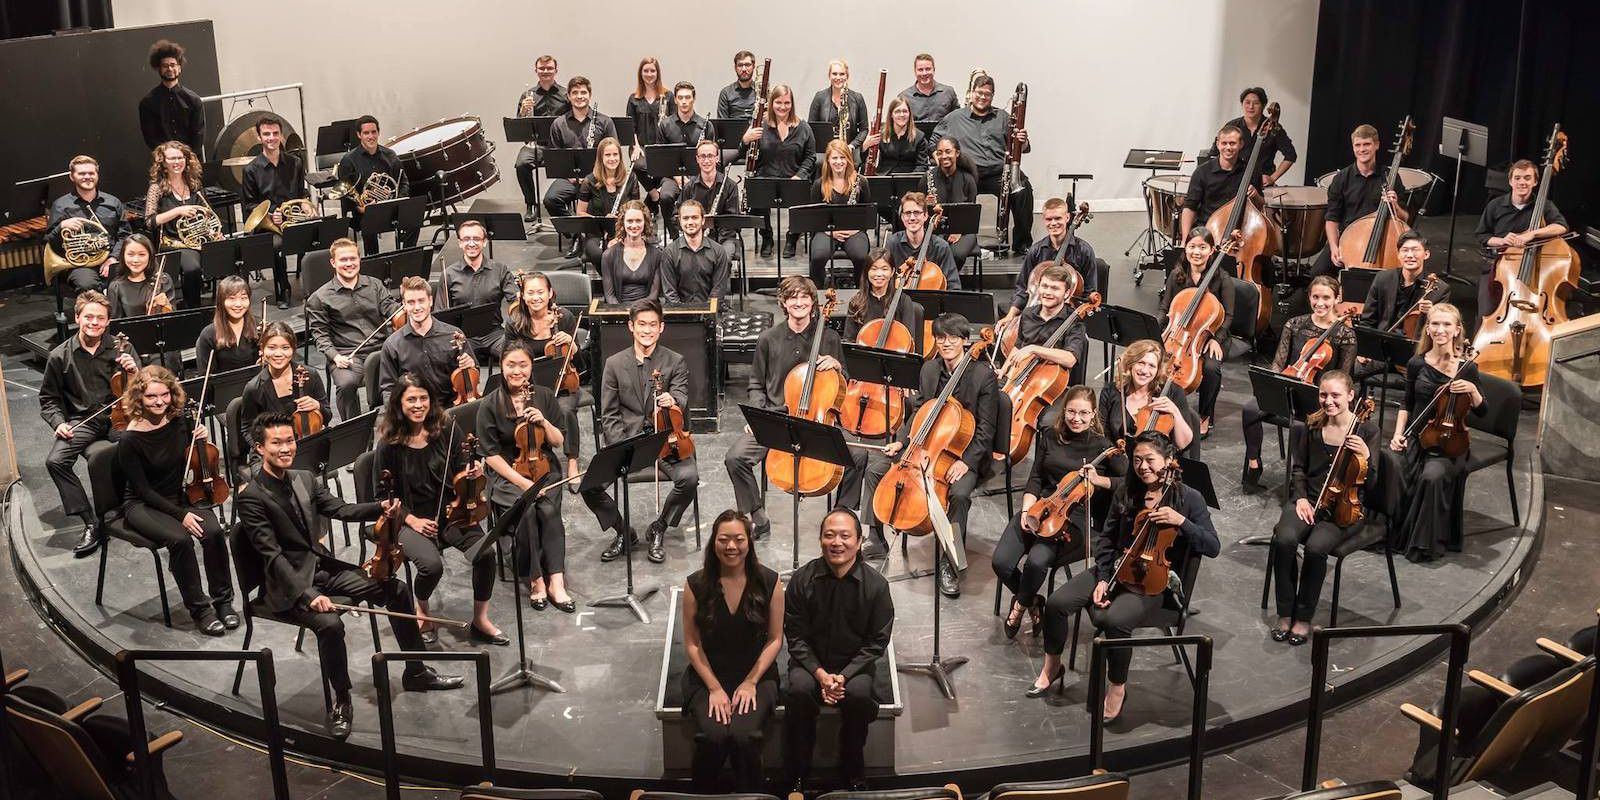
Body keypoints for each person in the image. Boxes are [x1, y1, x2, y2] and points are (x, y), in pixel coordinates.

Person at [236, 411, 463, 739]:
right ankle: (342, 699)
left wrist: (380, 507)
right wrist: (309, 595)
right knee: (331, 625)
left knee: (396, 589)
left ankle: (416, 671)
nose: (286, 448)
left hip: (319, 568)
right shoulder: (252, 498)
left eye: (290, 441)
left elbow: (340, 509)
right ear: (259, 448)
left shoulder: (303, 478)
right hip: (286, 586)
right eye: (277, 443)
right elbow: (271, 556)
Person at [1033, 431, 1219, 718]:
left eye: (1150, 460)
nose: (1143, 467)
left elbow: (1212, 545)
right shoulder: (1127, 491)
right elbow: (1106, 540)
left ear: (1169, 461)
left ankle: (1117, 686)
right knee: (1057, 603)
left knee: (1114, 621)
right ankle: (1052, 666)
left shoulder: (1189, 499)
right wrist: (1104, 578)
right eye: (1137, 461)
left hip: (1156, 582)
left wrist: (1181, 521)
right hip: (1118, 568)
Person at [869, 313, 998, 598]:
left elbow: (986, 430)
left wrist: (967, 462)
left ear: (966, 341)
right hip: (926, 448)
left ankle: (949, 563)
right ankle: (875, 538)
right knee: (875, 470)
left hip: (965, 454)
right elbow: (918, 411)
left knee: (959, 496)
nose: (946, 342)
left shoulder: (982, 375)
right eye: (941, 337)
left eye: (953, 337)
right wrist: (901, 442)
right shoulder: (929, 369)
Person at [373, 373, 503, 645]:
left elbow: (460, 468)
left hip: (451, 513)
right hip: (408, 519)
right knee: (431, 567)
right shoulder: (388, 444)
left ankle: (481, 619)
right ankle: (423, 608)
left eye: (424, 398)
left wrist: (471, 472)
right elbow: (381, 496)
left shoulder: (446, 430)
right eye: (411, 399)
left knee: (486, 553)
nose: (419, 405)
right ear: (399, 403)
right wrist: (412, 520)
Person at [993, 385, 1126, 638]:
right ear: (1064, 411)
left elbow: (1128, 482)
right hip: (1040, 505)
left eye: (1084, 414)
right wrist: (1026, 510)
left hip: (1072, 519)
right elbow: (1035, 477)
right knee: (1001, 562)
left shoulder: (1103, 446)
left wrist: (1100, 481)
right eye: (1072, 412)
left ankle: (1020, 605)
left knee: (1037, 561)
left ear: (1094, 413)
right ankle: (1033, 601)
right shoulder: (1050, 436)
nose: (1077, 419)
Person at [114, 365, 235, 635]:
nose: (159, 402)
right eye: (151, 397)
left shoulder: (182, 423)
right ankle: (200, 610)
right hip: (143, 504)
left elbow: (196, 458)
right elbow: (143, 491)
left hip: (181, 495)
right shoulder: (130, 440)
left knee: (214, 532)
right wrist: (181, 516)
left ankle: (223, 601)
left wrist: (201, 437)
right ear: (138, 399)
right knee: (180, 540)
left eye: (165, 395)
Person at [724, 276, 847, 539]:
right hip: (775, 420)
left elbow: (845, 381)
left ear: (813, 303)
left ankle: (841, 520)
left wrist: (837, 367)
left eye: (804, 297)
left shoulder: (829, 338)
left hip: (815, 423)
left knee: (856, 459)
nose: (799, 302)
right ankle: (758, 515)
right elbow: (755, 383)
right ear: (783, 302)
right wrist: (758, 414)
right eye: (793, 297)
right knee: (735, 458)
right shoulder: (769, 338)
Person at [784, 509, 893, 792]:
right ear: (820, 540)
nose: (837, 542)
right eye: (829, 535)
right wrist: (821, 675)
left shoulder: (877, 587)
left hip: (854, 665)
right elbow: (795, 637)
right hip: (811, 664)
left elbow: (876, 642)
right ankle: (797, 771)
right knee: (797, 691)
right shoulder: (802, 580)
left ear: (859, 542)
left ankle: (853, 769)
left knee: (858, 695)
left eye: (845, 536)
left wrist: (843, 676)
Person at [585, 299, 699, 563]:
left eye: (652, 325)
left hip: (666, 441)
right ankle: (623, 532)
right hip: (629, 444)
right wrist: (622, 449)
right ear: (631, 326)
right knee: (590, 485)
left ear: (661, 328)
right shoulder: (614, 364)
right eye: (641, 325)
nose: (647, 330)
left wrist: (674, 400)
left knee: (689, 478)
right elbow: (610, 414)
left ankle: (659, 526)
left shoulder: (675, 361)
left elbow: (682, 395)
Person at [1270, 369, 1379, 645]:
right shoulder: (1312, 425)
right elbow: (1299, 468)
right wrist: (1302, 497)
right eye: (1323, 394)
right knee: (1284, 540)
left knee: (1317, 549)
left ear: (1351, 396)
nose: (1328, 401)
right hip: (1308, 500)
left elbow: (1373, 484)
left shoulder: (1367, 430)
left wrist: (1366, 455)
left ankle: (1303, 617)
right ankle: (1285, 612)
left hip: (1343, 508)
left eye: (1335, 395)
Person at [682, 510, 782, 792]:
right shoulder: (695, 584)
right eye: (723, 539)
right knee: (713, 736)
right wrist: (714, 688)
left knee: (744, 736)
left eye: (739, 539)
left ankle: (751, 795)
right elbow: (692, 643)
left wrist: (751, 682)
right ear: (713, 542)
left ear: (749, 542)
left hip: (757, 675)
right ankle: (702, 795)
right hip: (708, 676)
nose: (731, 547)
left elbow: (775, 639)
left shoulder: (770, 582)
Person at [476, 342, 574, 611]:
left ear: (531, 367)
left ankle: (557, 580)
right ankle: (536, 579)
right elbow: (490, 455)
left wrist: (544, 421)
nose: (517, 371)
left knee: (550, 511)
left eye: (523, 365)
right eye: (511, 365)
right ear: (501, 367)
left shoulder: (543, 395)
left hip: (544, 468)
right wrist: (523, 482)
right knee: (528, 511)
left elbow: (556, 440)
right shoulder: (491, 403)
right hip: (507, 473)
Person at [41, 291, 141, 556]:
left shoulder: (123, 348)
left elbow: (144, 389)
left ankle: (136, 506)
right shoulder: (59, 356)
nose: (94, 322)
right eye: (88, 317)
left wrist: (134, 372)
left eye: (100, 318)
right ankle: (91, 521)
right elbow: (49, 400)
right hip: (81, 420)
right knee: (56, 461)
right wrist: (58, 423)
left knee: (132, 444)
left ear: (108, 322)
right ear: (77, 318)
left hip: (118, 416)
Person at [1388, 304, 1485, 562]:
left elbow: (1483, 412)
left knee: (1431, 477)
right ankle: (1390, 533)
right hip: (1418, 437)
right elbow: (1407, 403)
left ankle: (1423, 543)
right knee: (1391, 466)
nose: (1440, 330)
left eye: (1446, 325)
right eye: (1435, 324)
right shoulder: (1417, 363)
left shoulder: (1468, 368)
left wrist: (1473, 392)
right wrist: (1398, 434)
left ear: (1457, 331)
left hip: (1450, 443)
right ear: (1428, 329)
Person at [1241, 275, 1356, 491]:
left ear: (1337, 298)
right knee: (1249, 409)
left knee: (1299, 426)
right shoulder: (1294, 324)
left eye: (1326, 297)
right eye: (1315, 297)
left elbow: (1344, 379)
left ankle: (1299, 479)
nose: (1320, 303)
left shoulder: (1345, 335)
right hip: (1287, 386)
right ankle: (1254, 463)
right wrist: (1272, 384)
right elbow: (1278, 362)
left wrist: (1326, 395)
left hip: (1317, 398)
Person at [932, 74, 1033, 254]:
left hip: (999, 173)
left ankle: (1022, 243)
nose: (982, 97)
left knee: (1024, 190)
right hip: (967, 173)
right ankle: (961, 242)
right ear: (971, 93)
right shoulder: (954, 118)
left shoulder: (1003, 117)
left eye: (987, 94)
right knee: (955, 191)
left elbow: (1024, 149)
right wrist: (943, 161)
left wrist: (1022, 141)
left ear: (992, 96)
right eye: (979, 93)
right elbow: (933, 142)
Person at [305, 237, 400, 420]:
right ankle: (356, 431)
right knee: (346, 384)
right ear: (333, 262)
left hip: (382, 349)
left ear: (359, 259)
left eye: (353, 259)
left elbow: (391, 309)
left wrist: (406, 307)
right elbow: (320, 336)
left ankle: (402, 424)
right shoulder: (320, 297)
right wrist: (335, 357)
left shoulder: (375, 285)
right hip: (348, 354)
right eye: (343, 260)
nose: (349, 264)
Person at [503, 271, 583, 487]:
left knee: (566, 411)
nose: (536, 297)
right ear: (522, 295)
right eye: (530, 292)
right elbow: (507, 358)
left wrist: (572, 345)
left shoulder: (563, 317)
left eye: (540, 292)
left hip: (562, 383)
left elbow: (580, 362)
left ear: (550, 293)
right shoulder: (516, 323)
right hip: (529, 386)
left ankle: (572, 460)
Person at [1158, 228, 1234, 435]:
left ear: (1212, 250)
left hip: (1211, 336)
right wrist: (1157, 334)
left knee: (1210, 368)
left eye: (1202, 247)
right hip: (1179, 333)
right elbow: (1165, 309)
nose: (1196, 252)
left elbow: (1228, 316)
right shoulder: (1177, 275)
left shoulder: (1222, 278)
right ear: (1186, 248)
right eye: (1192, 246)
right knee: (1157, 360)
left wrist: (1217, 339)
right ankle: (1161, 407)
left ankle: (1204, 415)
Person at [1312, 123, 1408, 279]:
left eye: (1367, 144)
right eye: (1358, 145)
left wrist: (1395, 206)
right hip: (1348, 238)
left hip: (1382, 238)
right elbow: (1331, 218)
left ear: (1376, 145)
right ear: (1353, 147)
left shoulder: (1390, 177)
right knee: (1318, 273)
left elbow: (1405, 219)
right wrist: (1335, 247)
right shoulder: (1341, 178)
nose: (1362, 149)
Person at [1475, 158, 1569, 315]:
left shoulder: (1544, 205)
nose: (1522, 182)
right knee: (1486, 312)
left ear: (1535, 182)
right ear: (1510, 181)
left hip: (1532, 266)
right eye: (1517, 178)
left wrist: (1531, 234)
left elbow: (1561, 227)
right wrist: (1502, 240)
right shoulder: (1495, 205)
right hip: (1498, 265)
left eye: (1527, 178)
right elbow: (1482, 235)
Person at [996, 264, 1088, 421]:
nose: (1048, 292)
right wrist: (1004, 372)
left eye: (1055, 288)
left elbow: (1070, 359)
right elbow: (1018, 345)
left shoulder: (1074, 322)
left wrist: (1034, 349)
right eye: (1044, 286)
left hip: (1051, 387)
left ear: (1066, 294)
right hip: (1019, 376)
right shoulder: (1028, 314)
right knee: (986, 401)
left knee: (1047, 423)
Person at [999, 197, 1097, 335]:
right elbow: (1023, 289)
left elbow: (1089, 293)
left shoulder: (1084, 251)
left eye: (1058, 218)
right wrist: (1010, 316)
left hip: (1067, 317)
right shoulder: (1036, 250)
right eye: (1049, 219)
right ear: (1044, 220)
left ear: (1067, 217)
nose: (1053, 223)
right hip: (1036, 311)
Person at [741, 84, 818, 257]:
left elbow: (811, 157)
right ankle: (767, 237)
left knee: (803, 194)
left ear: (792, 104)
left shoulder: (803, 127)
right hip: (765, 178)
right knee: (756, 191)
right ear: (771, 102)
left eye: (787, 103)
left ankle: (792, 237)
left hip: (794, 179)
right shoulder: (760, 125)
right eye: (778, 102)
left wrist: (800, 176)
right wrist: (745, 140)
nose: (783, 107)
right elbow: (744, 153)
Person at [238, 322, 329, 465]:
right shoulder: (254, 388)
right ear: (262, 350)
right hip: (269, 454)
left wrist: (317, 406)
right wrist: (264, 449)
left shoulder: (310, 375)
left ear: (293, 349)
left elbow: (327, 416)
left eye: (285, 348)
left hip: (306, 447)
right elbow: (247, 429)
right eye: (272, 348)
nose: (278, 354)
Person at [379, 276, 477, 407]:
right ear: (404, 304)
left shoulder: (453, 335)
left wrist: (470, 366)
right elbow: (388, 389)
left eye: (421, 301)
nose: (417, 307)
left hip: (450, 408)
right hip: (415, 411)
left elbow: (473, 373)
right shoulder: (392, 345)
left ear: (430, 301)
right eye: (411, 302)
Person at [544, 76, 620, 244]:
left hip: (598, 179)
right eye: (575, 93)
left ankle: (596, 234)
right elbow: (554, 157)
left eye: (583, 92)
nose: (579, 96)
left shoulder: (604, 121)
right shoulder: (558, 124)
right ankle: (575, 234)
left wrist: (595, 176)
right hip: (570, 178)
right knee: (550, 199)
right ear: (569, 96)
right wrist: (568, 175)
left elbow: (614, 151)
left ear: (589, 95)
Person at [240, 114, 306, 306]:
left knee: (317, 237)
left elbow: (300, 195)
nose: (271, 138)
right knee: (277, 247)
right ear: (259, 137)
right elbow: (249, 205)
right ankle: (283, 290)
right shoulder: (251, 170)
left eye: (275, 133)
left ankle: (313, 290)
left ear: (281, 135)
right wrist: (270, 215)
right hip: (267, 225)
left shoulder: (295, 163)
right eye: (266, 134)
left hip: (292, 220)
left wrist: (304, 208)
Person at [45, 156, 133, 295]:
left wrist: (113, 258)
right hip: (79, 264)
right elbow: (49, 240)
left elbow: (125, 235)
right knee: (87, 284)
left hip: (111, 258)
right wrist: (61, 226)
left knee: (135, 278)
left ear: (97, 175)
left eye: (91, 173)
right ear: (72, 176)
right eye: (81, 173)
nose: (87, 177)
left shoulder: (113, 202)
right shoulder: (61, 206)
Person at [435, 219, 518, 362]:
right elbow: (440, 313)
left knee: (517, 357)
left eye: (476, 239)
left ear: (484, 242)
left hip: (495, 334)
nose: (471, 243)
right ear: (460, 243)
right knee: (447, 361)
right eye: (466, 239)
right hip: (462, 336)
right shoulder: (448, 274)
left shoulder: (500, 269)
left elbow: (516, 301)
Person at [143, 140, 211, 307]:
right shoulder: (157, 189)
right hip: (174, 243)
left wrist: (213, 231)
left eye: (180, 158)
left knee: (226, 258)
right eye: (171, 158)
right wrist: (177, 211)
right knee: (192, 268)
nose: (177, 162)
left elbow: (208, 214)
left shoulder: (194, 185)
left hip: (198, 240)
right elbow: (149, 221)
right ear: (163, 163)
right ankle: (193, 308)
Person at [1097, 339, 1196, 450]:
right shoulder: (1111, 391)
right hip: (1119, 459)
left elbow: (1183, 445)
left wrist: (1175, 412)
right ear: (1131, 364)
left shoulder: (1173, 392)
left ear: (1158, 370)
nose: (1145, 370)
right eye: (1141, 363)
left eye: (1151, 366)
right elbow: (1102, 434)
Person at [334, 115, 412, 254]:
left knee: (413, 221)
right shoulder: (349, 160)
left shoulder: (390, 155)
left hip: (390, 207)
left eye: (373, 132)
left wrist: (398, 200)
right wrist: (359, 207)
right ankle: (373, 260)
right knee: (369, 223)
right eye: (366, 133)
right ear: (359, 135)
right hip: (364, 212)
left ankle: (406, 255)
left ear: (378, 132)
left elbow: (403, 182)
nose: (371, 136)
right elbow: (344, 193)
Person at [806, 140, 874, 287]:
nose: (839, 162)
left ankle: (861, 293)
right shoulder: (819, 184)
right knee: (818, 256)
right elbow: (813, 217)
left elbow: (868, 214)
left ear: (848, 160)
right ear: (828, 160)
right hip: (826, 231)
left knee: (861, 256)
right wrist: (831, 232)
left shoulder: (860, 182)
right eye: (835, 158)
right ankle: (815, 293)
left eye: (842, 157)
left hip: (854, 231)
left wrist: (854, 229)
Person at [1180, 123, 1262, 243]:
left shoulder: (1251, 171)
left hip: (1241, 234)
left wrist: (1256, 196)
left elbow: (1261, 205)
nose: (1228, 147)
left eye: (1232, 143)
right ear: (1218, 144)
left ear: (1241, 144)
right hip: (1208, 232)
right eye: (1224, 143)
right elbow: (1190, 208)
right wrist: (1185, 240)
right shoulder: (1202, 172)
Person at [512, 55, 570, 220]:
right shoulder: (527, 95)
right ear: (536, 70)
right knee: (521, 164)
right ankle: (531, 203)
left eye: (549, 68)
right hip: (536, 146)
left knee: (577, 162)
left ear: (556, 71)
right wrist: (523, 111)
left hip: (560, 146)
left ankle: (567, 204)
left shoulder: (566, 94)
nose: (546, 71)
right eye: (542, 68)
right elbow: (519, 129)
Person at [656, 81, 715, 232]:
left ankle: (702, 233)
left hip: (698, 175)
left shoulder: (705, 125)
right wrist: (677, 177)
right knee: (665, 196)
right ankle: (674, 235)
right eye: (680, 97)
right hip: (672, 176)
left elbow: (711, 156)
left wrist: (693, 179)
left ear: (693, 99)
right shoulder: (665, 125)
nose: (684, 101)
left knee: (703, 192)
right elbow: (662, 157)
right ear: (674, 99)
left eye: (687, 97)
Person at [577, 137, 642, 270]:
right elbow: (580, 213)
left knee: (620, 252)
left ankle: (621, 285)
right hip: (597, 232)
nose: (612, 158)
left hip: (626, 229)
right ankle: (610, 283)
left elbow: (638, 209)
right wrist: (600, 220)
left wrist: (619, 236)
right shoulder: (589, 181)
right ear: (600, 158)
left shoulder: (630, 177)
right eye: (607, 155)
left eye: (615, 154)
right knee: (597, 253)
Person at [1211, 87, 1296, 186]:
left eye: (1256, 103)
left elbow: (1291, 155)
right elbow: (1215, 153)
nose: (1251, 107)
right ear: (1242, 104)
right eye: (1247, 102)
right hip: (1232, 181)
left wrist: (1272, 178)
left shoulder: (1274, 128)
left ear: (1263, 106)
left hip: (1261, 184)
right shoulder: (1232, 126)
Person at [137, 40, 204, 152]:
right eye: (165, 66)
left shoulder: (194, 100)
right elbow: (150, 137)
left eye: (173, 65)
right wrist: (167, 154)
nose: (169, 69)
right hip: (163, 159)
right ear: (158, 69)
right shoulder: (147, 103)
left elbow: (198, 134)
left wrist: (186, 155)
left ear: (179, 68)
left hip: (190, 158)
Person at [882, 191, 959, 288]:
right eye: (908, 213)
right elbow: (884, 280)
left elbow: (953, 286)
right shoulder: (893, 243)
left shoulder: (940, 247)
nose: (912, 218)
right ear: (902, 217)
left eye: (917, 212)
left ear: (926, 216)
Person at [679, 139, 744, 249]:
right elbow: (676, 217)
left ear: (717, 158)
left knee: (724, 257)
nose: (706, 160)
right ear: (697, 159)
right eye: (702, 156)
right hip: (695, 236)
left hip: (724, 238)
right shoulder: (689, 188)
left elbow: (732, 221)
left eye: (710, 156)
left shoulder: (730, 186)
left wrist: (715, 243)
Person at [663, 200, 730, 304]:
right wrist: (684, 314)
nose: (690, 222)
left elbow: (718, 291)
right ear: (679, 221)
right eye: (685, 218)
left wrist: (705, 314)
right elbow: (670, 293)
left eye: (694, 217)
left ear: (703, 220)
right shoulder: (669, 252)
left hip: (710, 314)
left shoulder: (718, 251)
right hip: (680, 316)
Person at [600, 201, 666, 305]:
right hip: (618, 312)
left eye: (638, 221)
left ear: (645, 222)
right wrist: (622, 313)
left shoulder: (657, 254)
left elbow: (653, 296)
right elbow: (610, 296)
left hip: (647, 311)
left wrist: (638, 315)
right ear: (623, 223)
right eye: (630, 221)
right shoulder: (608, 255)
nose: (634, 225)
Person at [927, 137, 980, 262]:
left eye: (948, 151)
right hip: (936, 229)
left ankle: (950, 280)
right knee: (934, 251)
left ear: (957, 153)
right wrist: (926, 204)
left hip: (964, 230)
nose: (943, 156)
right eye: (939, 153)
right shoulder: (929, 177)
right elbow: (918, 208)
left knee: (957, 254)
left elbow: (971, 214)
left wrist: (959, 231)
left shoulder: (968, 179)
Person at [194, 275, 260, 373]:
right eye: (232, 298)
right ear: (221, 302)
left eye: (243, 298)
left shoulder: (258, 325)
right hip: (223, 387)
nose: (238, 304)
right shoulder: (209, 334)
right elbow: (206, 376)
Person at [103, 234, 174, 319]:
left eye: (141, 254)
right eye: (130, 254)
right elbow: (115, 323)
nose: (136, 260)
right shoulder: (116, 287)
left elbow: (173, 319)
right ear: (123, 256)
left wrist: (167, 305)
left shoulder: (163, 280)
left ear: (150, 256)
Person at [808, 59, 870, 149]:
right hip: (825, 152)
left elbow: (864, 130)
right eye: (834, 74)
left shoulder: (858, 98)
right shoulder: (819, 97)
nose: (838, 77)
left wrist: (852, 146)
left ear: (847, 76)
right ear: (829, 76)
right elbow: (811, 127)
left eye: (842, 74)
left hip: (850, 151)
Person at [899, 54, 959, 123]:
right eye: (920, 70)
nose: (924, 73)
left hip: (945, 133)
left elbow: (957, 119)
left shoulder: (948, 92)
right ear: (915, 72)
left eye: (928, 69)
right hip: (915, 134)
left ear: (934, 70)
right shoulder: (904, 97)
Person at [717, 51, 760, 120]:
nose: (744, 69)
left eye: (747, 65)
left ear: (753, 67)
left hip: (757, 130)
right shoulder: (726, 93)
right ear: (735, 68)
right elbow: (722, 124)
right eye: (740, 65)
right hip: (733, 130)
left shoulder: (762, 92)